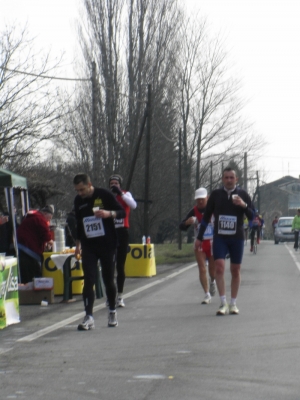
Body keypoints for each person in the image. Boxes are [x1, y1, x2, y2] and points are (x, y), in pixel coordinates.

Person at [195, 167, 254, 316]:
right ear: (222, 179)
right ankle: (223, 303)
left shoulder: (243, 194)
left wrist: (243, 205)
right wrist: (199, 238)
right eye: (226, 178)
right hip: (220, 236)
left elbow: (253, 216)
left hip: (237, 237)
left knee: (235, 269)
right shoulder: (216, 194)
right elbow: (206, 217)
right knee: (219, 267)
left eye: (231, 178)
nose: (228, 180)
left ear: (236, 179)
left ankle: (233, 303)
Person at [73, 173, 126, 330]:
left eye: (82, 189)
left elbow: (121, 212)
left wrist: (109, 214)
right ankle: (88, 316)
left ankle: (112, 310)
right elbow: (79, 223)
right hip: (89, 245)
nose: (80, 193)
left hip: (107, 244)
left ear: (90, 185)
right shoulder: (78, 201)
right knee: (89, 279)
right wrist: (78, 244)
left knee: (108, 279)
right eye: (77, 190)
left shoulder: (104, 195)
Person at [179, 187, 216, 304]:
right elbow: (181, 226)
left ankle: (213, 281)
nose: (200, 202)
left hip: (212, 242)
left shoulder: (214, 209)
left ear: (207, 198)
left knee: (212, 270)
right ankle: (206, 294)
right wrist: (187, 222)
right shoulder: (194, 211)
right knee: (202, 268)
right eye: (198, 200)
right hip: (199, 243)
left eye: (202, 199)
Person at [108, 174, 137, 308]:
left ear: (120, 185)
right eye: (112, 183)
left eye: (116, 183)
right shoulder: (107, 196)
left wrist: (120, 193)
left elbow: (133, 205)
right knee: (109, 266)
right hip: (110, 232)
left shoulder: (126, 194)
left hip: (122, 231)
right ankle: (110, 296)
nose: (114, 185)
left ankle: (120, 296)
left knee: (120, 265)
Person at [17, 205, 54, 283]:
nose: (49, 220)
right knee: (33, 273)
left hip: (22, 246)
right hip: (28, 249)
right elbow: (46, 235)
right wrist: (51, 242)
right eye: (49, 218)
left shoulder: (31, 217)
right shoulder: (40, 219)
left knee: (28, 273)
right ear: (45, 213)